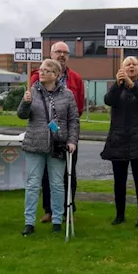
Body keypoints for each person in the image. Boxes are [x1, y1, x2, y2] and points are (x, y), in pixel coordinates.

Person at [18, 59, 80, 236]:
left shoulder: (67, 95)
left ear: (56, 75)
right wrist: (25, 102)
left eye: (46, 70)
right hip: (34, 144)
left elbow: (73, 120)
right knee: (32, 184)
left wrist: (72, 140)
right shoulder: (32, 92)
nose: (42, 72)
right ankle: (29, 222)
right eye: (41, 70)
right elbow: (22, 115)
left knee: (57, 184)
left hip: (57, 144)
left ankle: (57, 221)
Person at [30, 41, 85, 224]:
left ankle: (69, 208)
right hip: (45, 135)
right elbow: (32, 102)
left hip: (67, 134)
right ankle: (49, 210)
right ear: (51, 54)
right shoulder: (37, 76)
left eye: (65, 53)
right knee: (47, 174)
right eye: (58, 52)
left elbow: (79, 107)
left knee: (69, 173)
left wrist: (69, 132)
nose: (62, 55)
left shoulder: (75, 78)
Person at [101, 56, 138, 227]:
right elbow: (108, 100)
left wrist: (132, 85)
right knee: (119, 181)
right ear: (122, 69)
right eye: (127, 64)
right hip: (118, 140)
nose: (131, 66)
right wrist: (119, 84)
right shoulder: (117, 87)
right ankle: (120, 214)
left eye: (134, 64)